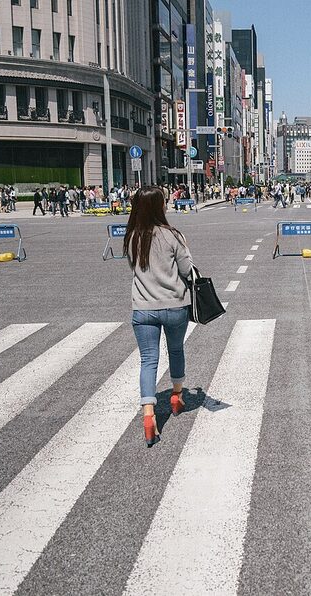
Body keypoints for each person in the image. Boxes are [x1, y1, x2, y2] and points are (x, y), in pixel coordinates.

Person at [124, 186, 194, 447]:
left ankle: (148, 414)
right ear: (159, 206)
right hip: (174, 306)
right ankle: (176, 396)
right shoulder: (171, 236)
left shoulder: (132, 237)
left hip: (143, 308)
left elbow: (136, 267)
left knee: (148, 360)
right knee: (175, 350)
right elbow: (187, 270)